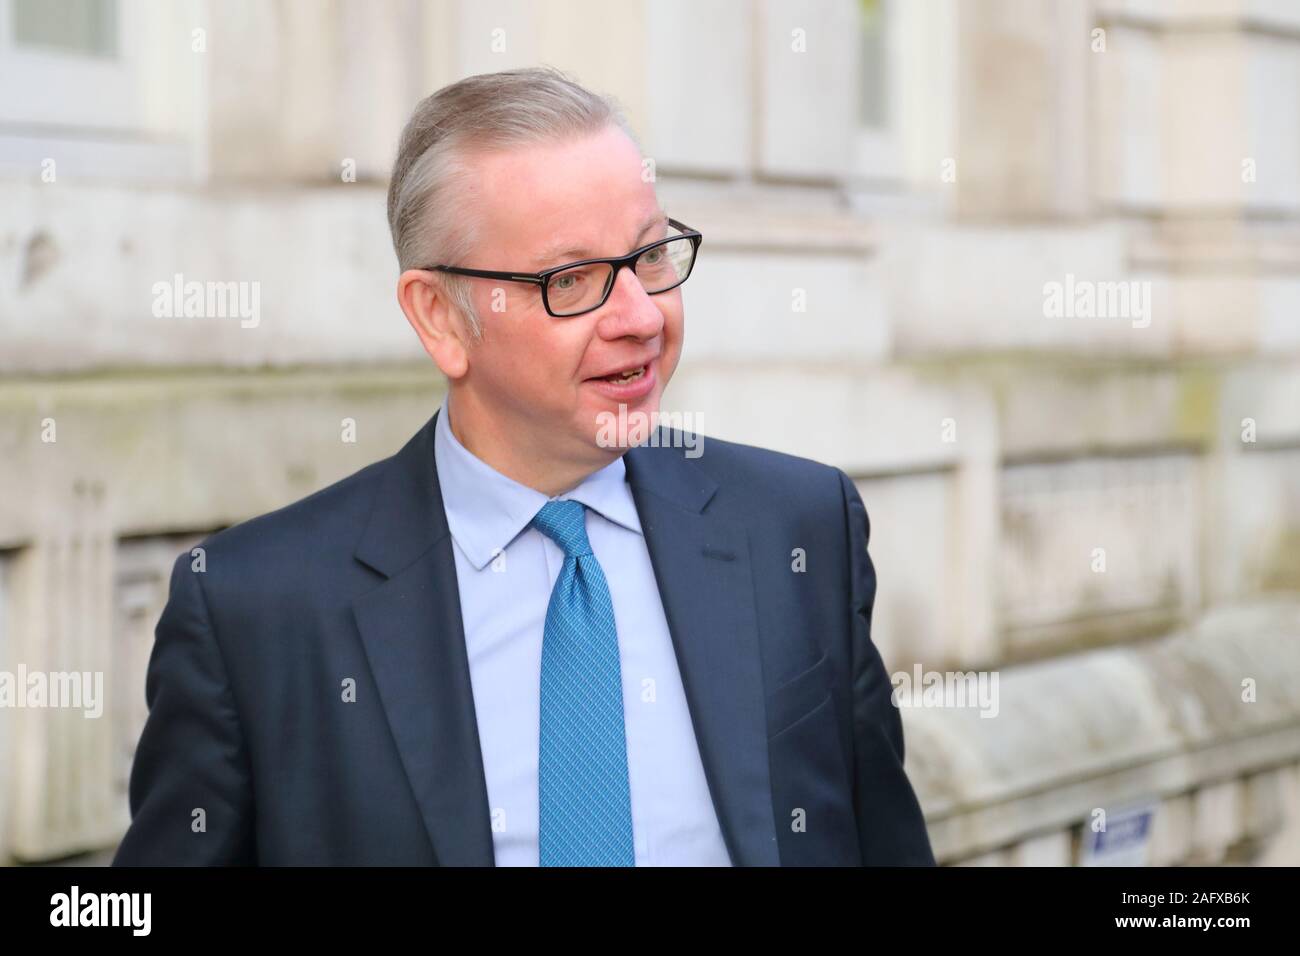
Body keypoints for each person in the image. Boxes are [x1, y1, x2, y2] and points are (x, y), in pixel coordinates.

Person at [113, 66, 934, 867]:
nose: (641, 316)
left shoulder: (798, 527)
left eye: (650, 257)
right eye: (571, 280)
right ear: (440, 318)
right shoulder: (255, 610)